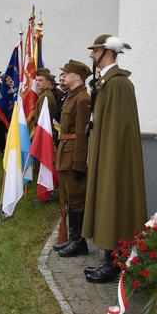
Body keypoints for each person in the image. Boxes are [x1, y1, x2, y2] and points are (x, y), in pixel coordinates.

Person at [81, 34, 147, 283]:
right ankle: (109, 258)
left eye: (94, 51)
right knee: (106, 200)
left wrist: (109, 159)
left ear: (107, 52)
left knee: (113, 200)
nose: (90, 56)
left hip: (114, 156)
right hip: (105, 151)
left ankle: (114, 262)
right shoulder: (106, 81)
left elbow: (119, 129)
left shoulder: (118, 84)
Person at [53, 60, 92, 258]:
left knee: (77, 199)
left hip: (73, 155)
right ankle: (74, 238)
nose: (64, 76)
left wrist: (79, 163)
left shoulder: (82, 99)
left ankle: (79, 241)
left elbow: (81, 134)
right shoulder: (70, 97)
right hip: (64, 152)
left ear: (77, 76)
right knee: (69, 197)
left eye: (67, 73)